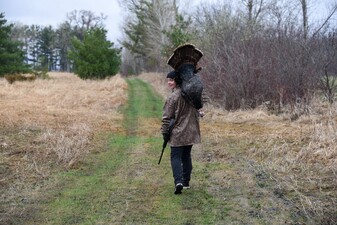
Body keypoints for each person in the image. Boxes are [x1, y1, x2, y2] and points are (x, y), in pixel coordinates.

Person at [161, 70, 203, 194]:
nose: (169, 82)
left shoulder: (172, 97)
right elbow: (198, 108)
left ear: (177, 80)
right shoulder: (191, 94)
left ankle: (178, 182)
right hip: (191, 132)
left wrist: (164, 133)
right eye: (168, 80)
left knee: (175, 157)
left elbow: (166, 118)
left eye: (171, 80)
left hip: (178, 133)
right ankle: (186, 182)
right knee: (186, 156)